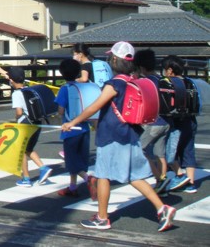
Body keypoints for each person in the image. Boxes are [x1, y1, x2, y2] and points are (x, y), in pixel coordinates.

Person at [62, 41, 176, 232]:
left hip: (112, 135)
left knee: (103, 175)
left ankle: (102, 218)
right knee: (135, 177)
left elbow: (95, 106)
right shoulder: (133, 81)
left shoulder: (114, 84)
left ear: (114, 59)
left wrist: (73, 122)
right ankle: (162, 208)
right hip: (130, 134)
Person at [55, 59, 96, 199]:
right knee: (81, 158)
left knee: (71, 160)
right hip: (84, 127)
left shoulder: (64, 89)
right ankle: (72, 186)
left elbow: (60, 111)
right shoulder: (82, 87)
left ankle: (88, 179)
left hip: (70, 129)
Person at [133, 49, 172, 194]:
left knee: (140, 149)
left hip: (153, 122)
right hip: (166, 121)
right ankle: (163, 182)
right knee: (159, 154)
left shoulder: (143, 82)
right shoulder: (161, 79)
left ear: (141, 66)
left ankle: (160, 179)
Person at [8, 66, 53, 187]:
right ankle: (43, 168)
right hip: (37, 122)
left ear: (11, 80)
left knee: (22, 151)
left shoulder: (17, 94)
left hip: (25, 124)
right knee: (28, 149)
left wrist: (15, 120)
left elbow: (19, 112)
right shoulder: (29, 90)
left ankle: (26, 178)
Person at [163, 55, 198, 194]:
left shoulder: (168, 82)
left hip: (175, 121)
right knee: (188, 151)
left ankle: (180, 175)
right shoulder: (190, 82)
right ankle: (191, 182)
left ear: (170, 70)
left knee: (170, 151)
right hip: (191, 120)